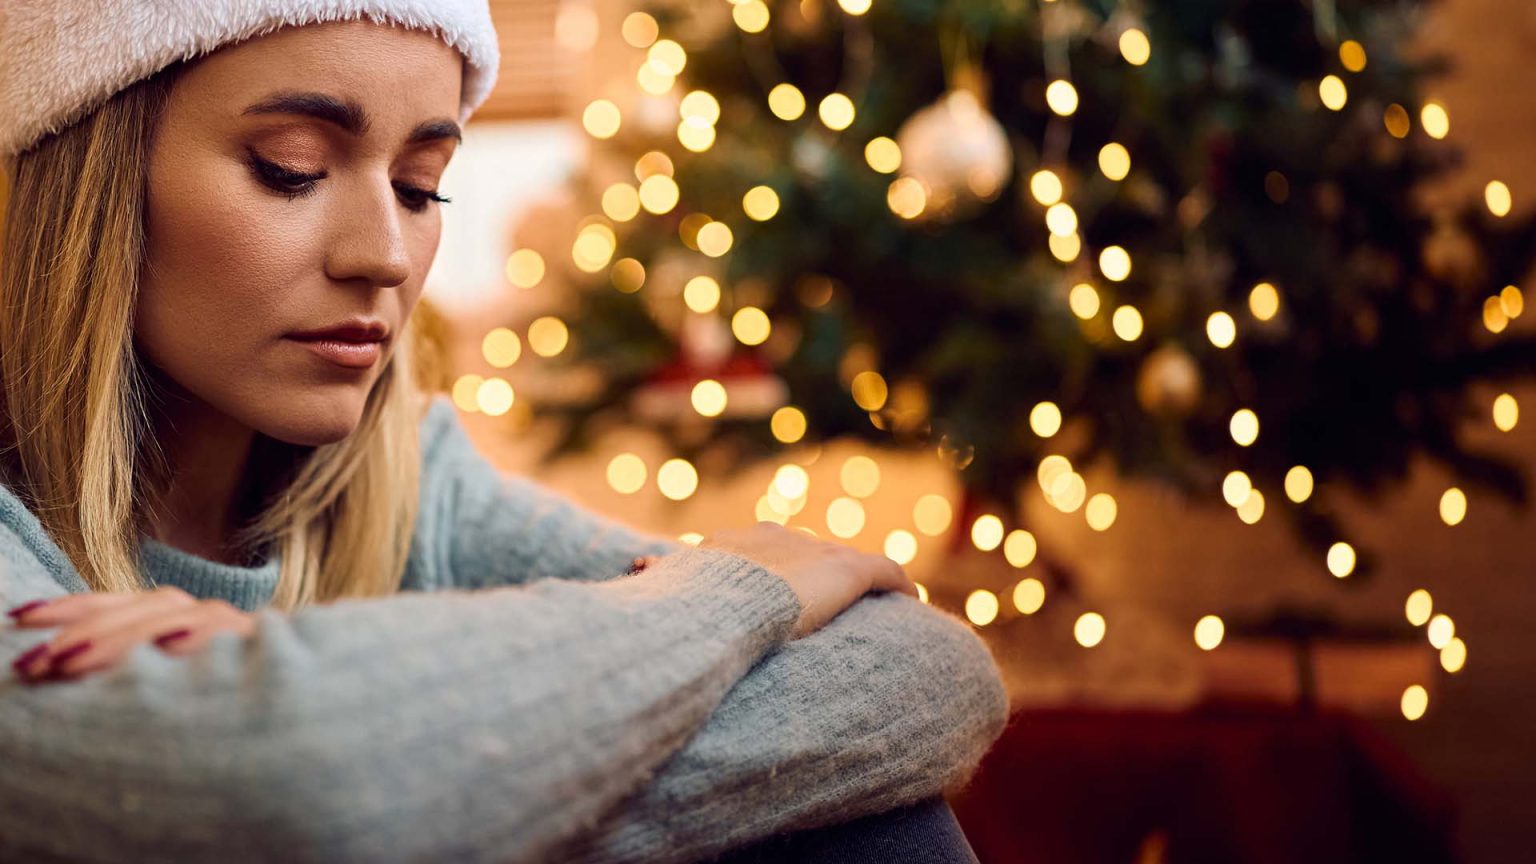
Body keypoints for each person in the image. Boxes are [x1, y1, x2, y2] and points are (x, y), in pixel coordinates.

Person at [0, 2, 1011, 862]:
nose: (386, 256)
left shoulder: (407, 482)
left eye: (420, 184)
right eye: (291, 167)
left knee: (884, 824)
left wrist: (372, 736)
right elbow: (291, 786)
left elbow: (927, 671)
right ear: (90, 181)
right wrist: (736, 591)